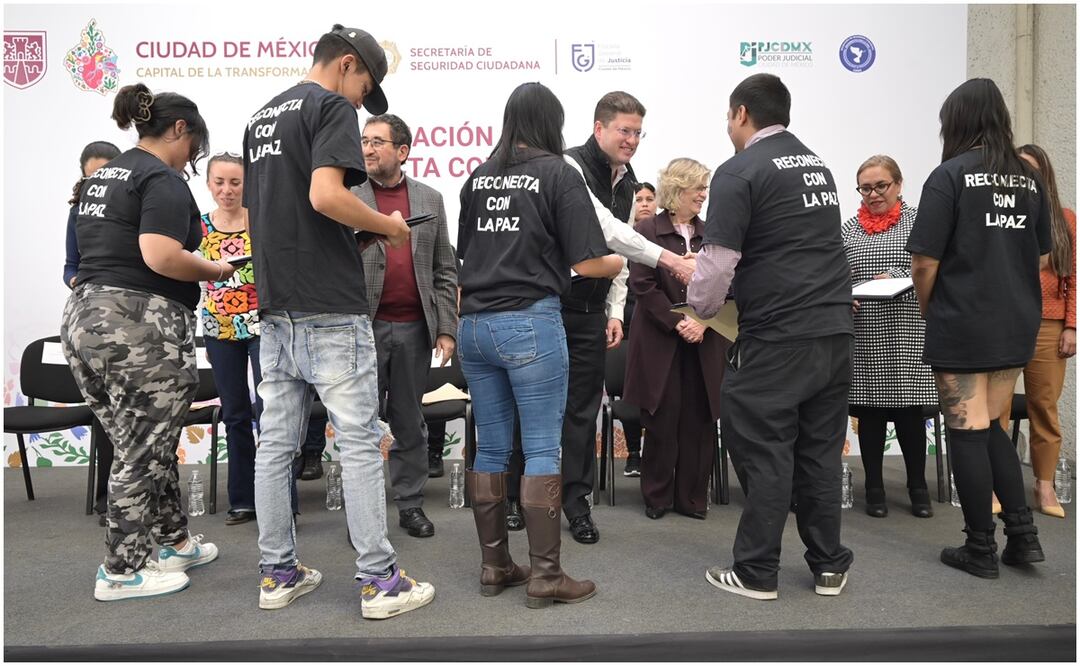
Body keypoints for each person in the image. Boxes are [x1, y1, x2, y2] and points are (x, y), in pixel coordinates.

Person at [243, 24, 434, 619]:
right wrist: (387, 226)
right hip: (329, 302)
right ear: (347, 65)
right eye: (364, 88)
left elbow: (263, 214)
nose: (359, 103)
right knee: (356, 442)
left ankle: (276, 574)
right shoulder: (328, 107)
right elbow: (327, 196)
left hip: (276, 304)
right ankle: (379, 581)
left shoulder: (262, 117)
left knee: (274, 444)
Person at [689, 73, 854, 600]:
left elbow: (717, 264)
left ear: (740, 113)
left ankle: (757, 571)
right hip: (832, 331)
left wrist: (698, 305)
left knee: (763, 451)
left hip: (777, 336)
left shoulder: (739, 171)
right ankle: (829, 565)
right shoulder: (817, 165)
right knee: (820, 455)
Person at [457, 82, 623, 607]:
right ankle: (546, 574)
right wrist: (620, 261)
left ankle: (495, 564)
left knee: (492, 447)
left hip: (474, 328)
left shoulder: (478, 177)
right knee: (544, 447)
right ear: (552, 123)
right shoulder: (558, 172)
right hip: (529, 323)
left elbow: (470, 256)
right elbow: (591, 259)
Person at [61, 83, 227, 600]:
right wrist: (216, 268)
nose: (193, 159)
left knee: (144, 443)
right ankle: (122, 570)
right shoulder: (162, 178)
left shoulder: (101, 176)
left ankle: (174, 540)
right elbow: (160, 255)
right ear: (180, 129)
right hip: (139, 324)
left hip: (84, 318)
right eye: (195, 147)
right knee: (141, 452)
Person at [907, 78, 1051, 579]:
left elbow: (924, 261)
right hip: (1016, 320)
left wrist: (931, 309)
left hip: (964, 319)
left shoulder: (949, 175)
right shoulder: (1029, 178)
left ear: (958, 121)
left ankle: (980, 547)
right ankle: (1024, 537)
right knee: (992, 425)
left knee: (965, 430)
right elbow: (1041, 250)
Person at [560, 91, 696, 544]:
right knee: (538, 413)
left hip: (589, 314)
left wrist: (614, 310)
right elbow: (608, 230)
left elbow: (617, 253)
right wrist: (671, 261)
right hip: (551, 305)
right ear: (599, 128)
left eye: (638, 132)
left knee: (581, 415)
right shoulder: (570, 166)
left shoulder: (627, 177)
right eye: (624, 130)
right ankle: (521, 503)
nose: (632, 140)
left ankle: (577, 508)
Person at [354, 112, 459, 539]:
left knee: (408, 419)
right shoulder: (346, 196)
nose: (367, 149)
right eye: (364, 141)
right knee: (358, 423)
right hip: (362, 327)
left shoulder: (430, 199)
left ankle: (410, 505)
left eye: (377, 141)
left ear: (402, 151)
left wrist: (447, 328)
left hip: (415, 328)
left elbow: (445, 269)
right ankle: (363, 515)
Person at [625, 158, 727, 519]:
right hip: (661, 339)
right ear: (677, 189)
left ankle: (693, 499)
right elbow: (642, 285)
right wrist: (680, 322)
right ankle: (657, 497)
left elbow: (729, 283)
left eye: (705, 187)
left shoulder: (715, 230)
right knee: (662, 419)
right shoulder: (648, 229)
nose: (704, 194)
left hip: (706, 338)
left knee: (699, 421)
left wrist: (701, 322)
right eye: (697, 187)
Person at [842, 155, 937, 519]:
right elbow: (834, 271)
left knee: (909, 412)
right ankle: (875, 488)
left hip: (907, 329)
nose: (873, 193)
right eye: (866, 187)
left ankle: (918, 488)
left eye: (881, 185)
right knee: (870, 412)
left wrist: (897, 275)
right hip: (864, 330)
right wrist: (844, 292)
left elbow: (932, 265)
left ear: (898, 185)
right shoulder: (849, 229)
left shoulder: (919, 223)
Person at [997, 144, 1075, 519]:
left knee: (1044, 406)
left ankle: (1043, 486)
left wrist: (1072, 326)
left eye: (1030, 169)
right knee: (995, 408)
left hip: (1049, 324)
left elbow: (1073, 278)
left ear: (1044, 174)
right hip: (1006, 321)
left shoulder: (1065, 219)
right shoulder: (999, 216)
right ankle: (996, 485)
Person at [196, 152, 262, 526]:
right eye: (219, 182)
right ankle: (242, 500)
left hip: (262, 328)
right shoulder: (199, 227)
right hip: (219, 331)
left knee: (272, 415)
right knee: (235, 415)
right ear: (208, 184)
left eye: (235, 182)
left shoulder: (262, 223)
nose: (227, 190)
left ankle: (282, 500)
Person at [63, 140, 121, 527]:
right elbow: (69, 266)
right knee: (107, 416)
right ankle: (107, 498)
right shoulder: (78, 213)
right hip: (92, 320)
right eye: (91, 176)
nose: (97, 183)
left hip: (133, 323)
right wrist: (80, 282)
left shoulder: (138, 209)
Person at [619, 180, 657, 478]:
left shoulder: (663, 237)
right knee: (629, 392)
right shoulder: (619, 237)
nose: (644, 204)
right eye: (638, 199)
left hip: (657, 320)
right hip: (625, 322)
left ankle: (657, 453)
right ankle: (634, 452)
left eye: (649, 198)